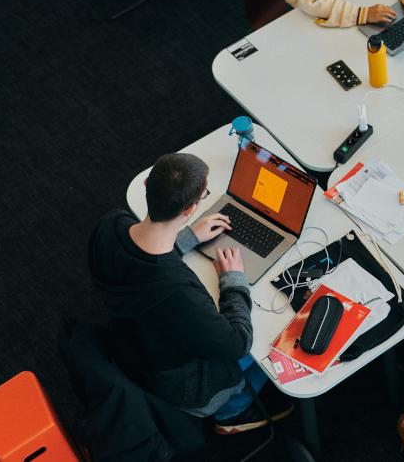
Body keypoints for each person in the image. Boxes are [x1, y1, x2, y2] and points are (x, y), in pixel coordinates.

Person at [87, 153, 291, 435]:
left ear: (146, 184)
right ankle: (231, 411)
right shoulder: (179, 294)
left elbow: (143, 263)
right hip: (183, 384)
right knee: (273, 347)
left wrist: (186, 238)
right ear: (190, 209)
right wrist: (234, 283)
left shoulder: (110, 225)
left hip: (133, 342)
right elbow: (237, 344)